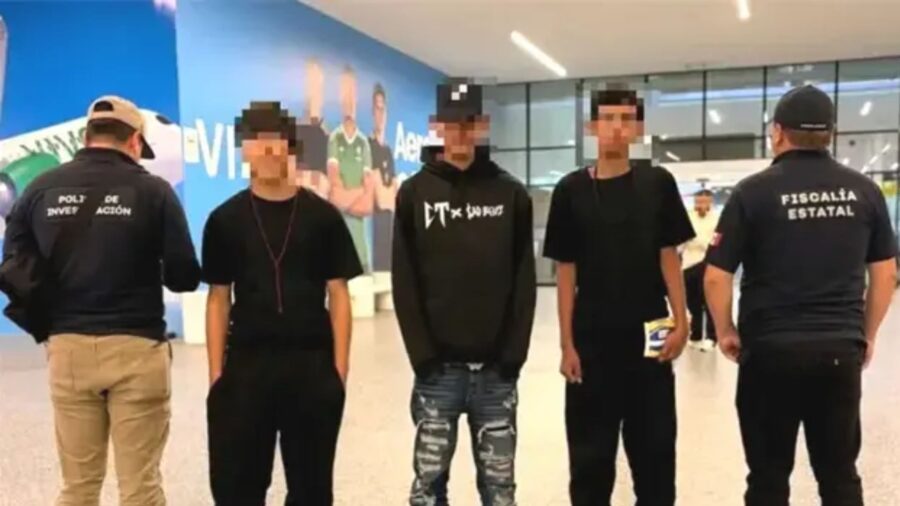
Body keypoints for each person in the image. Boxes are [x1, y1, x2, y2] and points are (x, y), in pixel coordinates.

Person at [2, 96, 200, 505]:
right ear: (135, 141)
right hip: (137, 348)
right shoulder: (155, 191)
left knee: (78, 487)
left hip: (69, 349)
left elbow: (14, 267)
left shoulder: (40, 188)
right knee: (141, 489)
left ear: (86, 137)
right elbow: (183, 277)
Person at [705, 85, 897, 506]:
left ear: (778, 132)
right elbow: (886, 274)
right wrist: (865, 334)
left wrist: (725, 330)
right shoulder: (864, 191)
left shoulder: (752, 192)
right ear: (830, 133)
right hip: (838, 351)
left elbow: (717, 276)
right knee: (840, 476)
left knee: (768, 478)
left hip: (769, 352)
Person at [204, 101, 361, 505]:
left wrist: (339, 370)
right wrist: (217, 375)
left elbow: (338, 293)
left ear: (291, 148)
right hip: (246, 367)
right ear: (244, 149)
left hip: (311, 366)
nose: (268, 149)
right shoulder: (224, 220)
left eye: (277, 140)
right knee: (237, 487)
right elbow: (218, 298)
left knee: (312, 489)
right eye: (257, 140)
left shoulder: (323, 217)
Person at [544, 88, 694, 506]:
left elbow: (669, 256)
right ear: (592, 126)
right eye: (607, 118)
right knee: (590, 464)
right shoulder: (570, 190)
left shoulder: (657, 184)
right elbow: (566, 272)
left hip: (650, 339)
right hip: (592, 342)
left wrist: (682, 321)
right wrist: (566, 344)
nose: (616, 127)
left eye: (625, 119)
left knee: (655, 457)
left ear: (638, 128)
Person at [392, 80, 536, 506]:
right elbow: (405, 281)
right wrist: (423, 358)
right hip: (438, 374)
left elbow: (524, 281)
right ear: (436, 125)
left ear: (482, 125)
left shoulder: (510, 193)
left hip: (496, 375)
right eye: (451, 123)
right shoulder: (414, 194)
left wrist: (512, 358)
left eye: (468, 123)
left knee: (500, 489)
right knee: (428, 486)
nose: (459, 133)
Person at [328, 65, 375, 272]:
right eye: (344, 92)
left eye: (352, 92)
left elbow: (368, 205)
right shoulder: (335, 138)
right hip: (337, 251)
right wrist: (360, 192)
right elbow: (335, 196)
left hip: (362, 256)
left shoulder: (363, 143)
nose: (348, 99)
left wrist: (347, 198)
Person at [683, 188, 719, 351]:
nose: (701, 205)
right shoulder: (688, 217)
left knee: (709, 302)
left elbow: (715, 241)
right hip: (688, 265)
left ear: (710, 202)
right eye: (698, 201)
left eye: (704, 202)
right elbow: (682, 240)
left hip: (708, 264)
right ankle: (695, 335)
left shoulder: (717, 219)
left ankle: (711, 337)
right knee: (693, 303)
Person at [369, 83, 398, 272]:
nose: (380, 114)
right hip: (375, 232)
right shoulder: (368, 146)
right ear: (372, 112)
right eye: (377, 109)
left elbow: (394, 199)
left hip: (390, 233)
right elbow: (380, 199)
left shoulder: (388, 151)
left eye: (383, 109)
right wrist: (387, 193)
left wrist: (388, 193)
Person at [297, 59, 330, 199]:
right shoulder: (293, 133)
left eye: (317, 86)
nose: (313, 93)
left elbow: (329, 185)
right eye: (310, 85)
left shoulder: (329, 138)